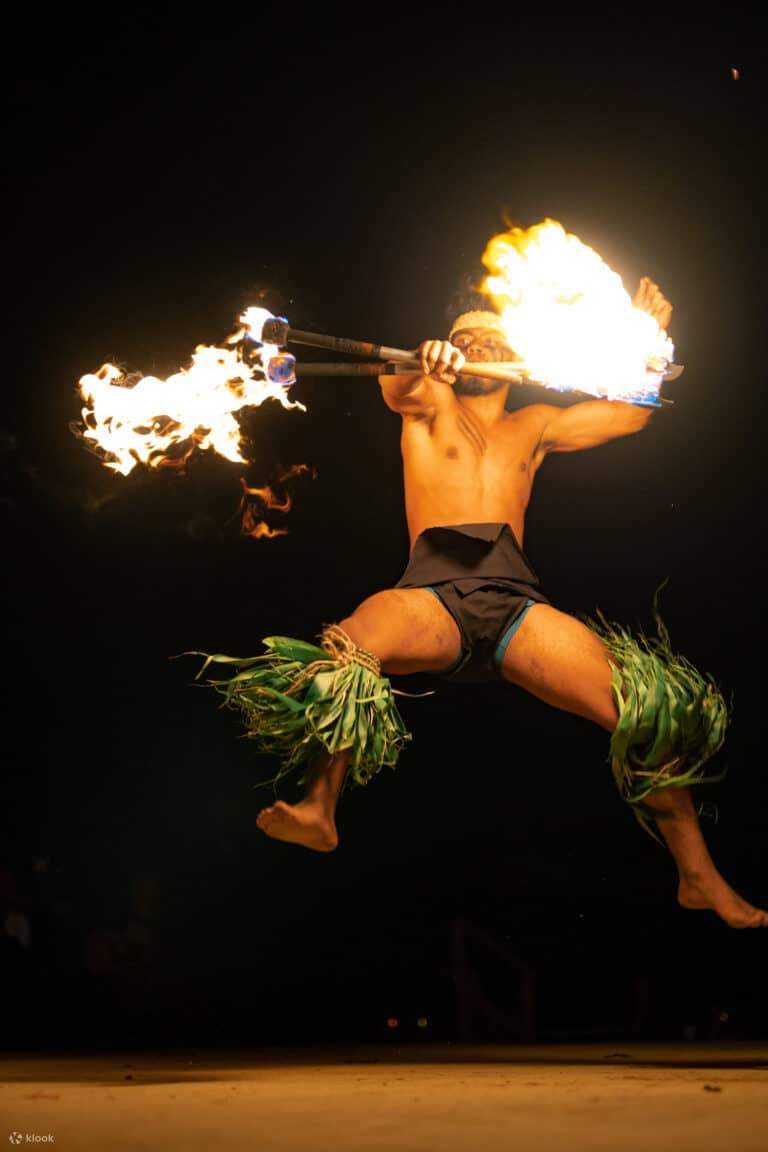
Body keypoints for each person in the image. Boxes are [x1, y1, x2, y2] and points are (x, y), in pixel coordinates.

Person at [198, 279, 767, 928]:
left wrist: (648, 341)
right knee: (352, 643)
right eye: (463, 338)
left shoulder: (537, 425)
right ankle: (318, 809)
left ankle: (698, 877)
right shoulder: (429, 401)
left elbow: (635, 409)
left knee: (644, 712)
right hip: (431, 596)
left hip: (514, 603)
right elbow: (398, 385)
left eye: (488, 338)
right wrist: (425, 358)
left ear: (514, 354)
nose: (474, 345)